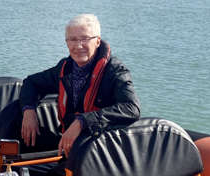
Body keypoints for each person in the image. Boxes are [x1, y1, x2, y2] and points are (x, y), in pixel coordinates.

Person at [19, 14, 140, 160]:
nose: (78, 46)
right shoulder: (65, 68)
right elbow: (31, 82)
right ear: (66, 42)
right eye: (73, 39)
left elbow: (132, 108)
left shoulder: (115, 71)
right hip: (70, 148)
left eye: (85, 39)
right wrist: (28, 111)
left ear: (97, 41)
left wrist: (83, 121)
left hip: (101, 151)